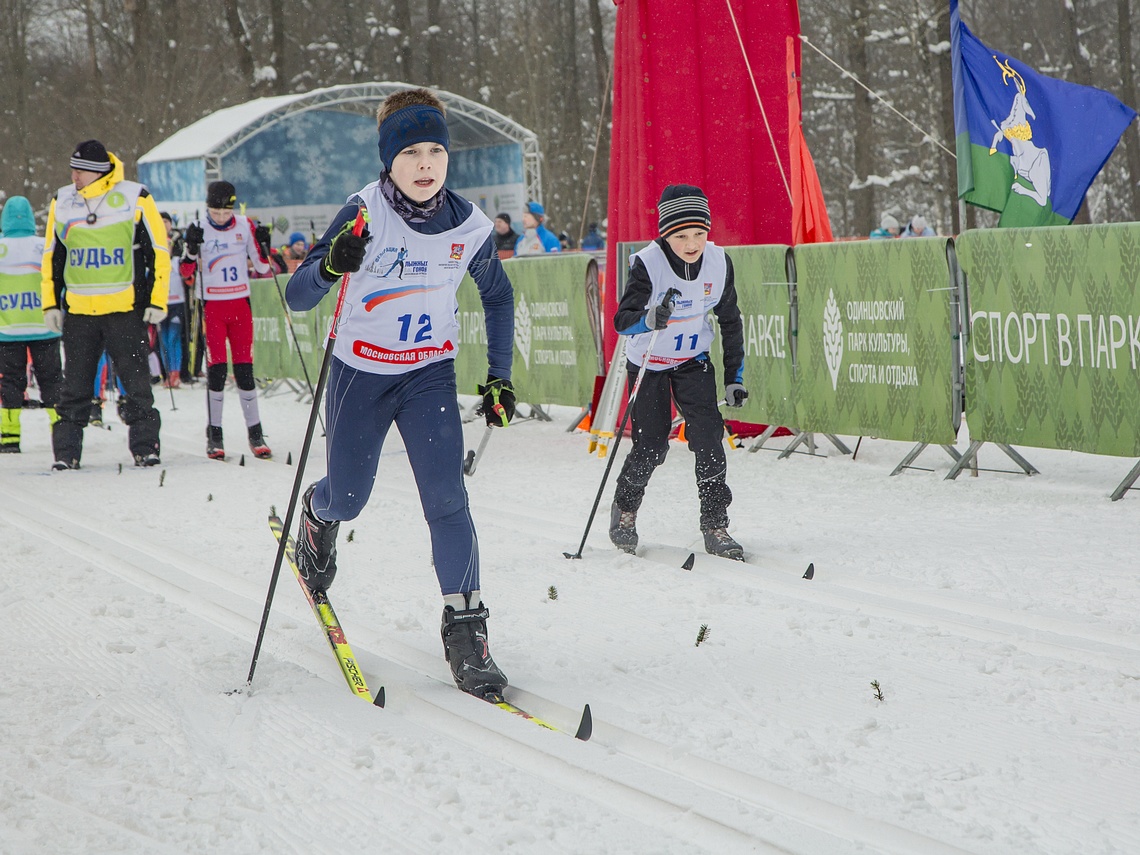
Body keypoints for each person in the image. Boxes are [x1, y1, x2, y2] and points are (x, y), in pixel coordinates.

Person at [285, 86, 517, 699]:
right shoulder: (363, 212)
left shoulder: (467, 225)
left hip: (428, 377)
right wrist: (332, 264)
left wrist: (499, 375)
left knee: (447, 500)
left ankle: (467, 632)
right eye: (410, 152)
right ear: (388, 159)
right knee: (350, 498)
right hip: (360, 373)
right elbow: (298, 295)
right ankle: (316, 515)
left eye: (435, 152)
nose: (424, 165)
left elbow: (497, 295)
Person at [609, 184, 746, 560]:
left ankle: (716, 525)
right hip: (650, 363)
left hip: (692, 362)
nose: (691, 243)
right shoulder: (647, 263)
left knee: (708, 440)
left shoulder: (719, 263)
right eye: (681, 235)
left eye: (699, 233)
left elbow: (730, 320)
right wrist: (648, 319)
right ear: (666, 234)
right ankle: (625, 511)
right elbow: (623, 320)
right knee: (652, 446)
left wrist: (735, 376)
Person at [41, 139, 168, 470]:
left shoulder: (134, 196)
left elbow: (159, 250)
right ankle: (66, 453)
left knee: (137, 383)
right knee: (74, 387)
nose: (73, 177)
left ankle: (145, 447)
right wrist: (50, 303)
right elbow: (53, 255)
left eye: (79, 171)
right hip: (80, 313)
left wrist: (156, 299)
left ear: (96, 172)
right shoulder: (62, 200)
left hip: (123, 311)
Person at [179, 180, 274, 460]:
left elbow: (263, 267)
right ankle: (215, 434)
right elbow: (185, 272)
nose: (220, 218)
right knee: (217, 371)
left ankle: (255, 433)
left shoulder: (245, 225)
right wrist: (190, 249)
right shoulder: (198, 226)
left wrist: (265, 243)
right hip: (213, 308)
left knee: (245, 371)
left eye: (225, 213)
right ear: (207, 207)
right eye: (215, 213)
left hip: (240, 306)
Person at [0, 196, 63, 453]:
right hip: (43, 325)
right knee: (52, 381)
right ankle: (60, 432)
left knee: (10, 383)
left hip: (8, 328)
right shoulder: (43, 246)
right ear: (30, 218)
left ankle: (9, 437)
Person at [157, 212, 186, 388]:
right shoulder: (154, 244)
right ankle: (167, 373)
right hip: (160, 302)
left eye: (166, 221)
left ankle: (176, 373)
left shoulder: (178, 245)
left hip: (177, 301)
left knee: (173, 337)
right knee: (163, 339)